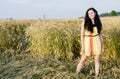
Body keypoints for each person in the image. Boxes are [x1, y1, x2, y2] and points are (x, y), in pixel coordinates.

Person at [76, 8, 104, 77]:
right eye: (89, 13)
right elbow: (82, 35)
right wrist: (82, 46)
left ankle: (97, 76)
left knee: (97, 60)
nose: (90, 14)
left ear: (95, 13)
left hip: (97, 41)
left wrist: (102, 46)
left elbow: (100, 35)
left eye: (91, 13)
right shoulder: (85, 22)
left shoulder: (98, 22)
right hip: (87, 42)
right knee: (83, 59)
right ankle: (76, 74)